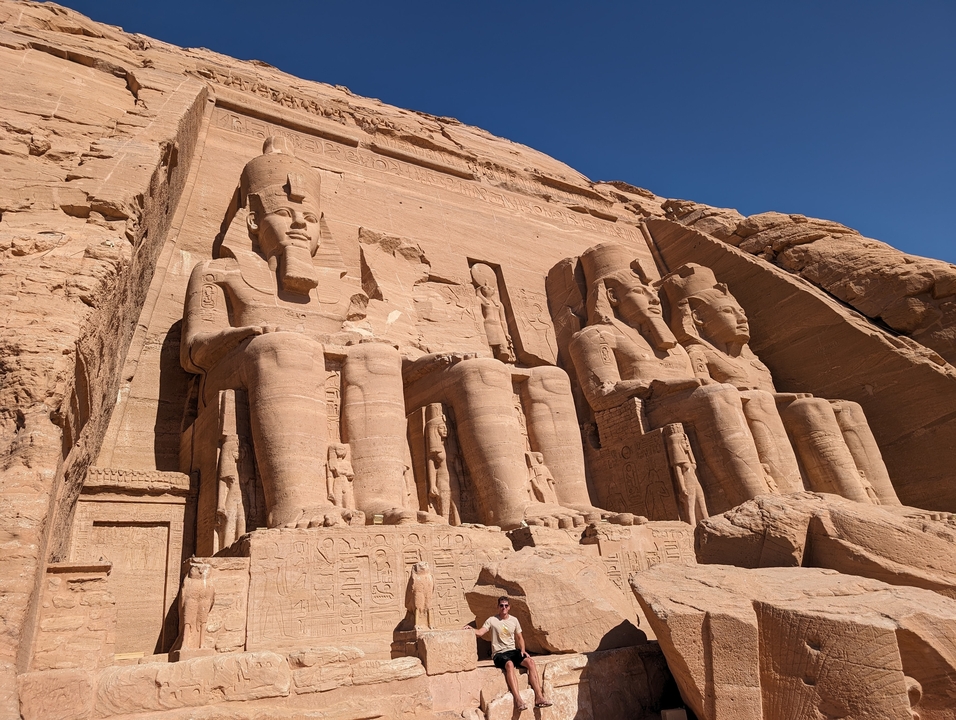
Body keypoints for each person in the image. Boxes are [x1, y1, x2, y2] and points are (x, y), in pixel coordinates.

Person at [465, 596, 551, 711]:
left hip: (512, 651)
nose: (503, 608)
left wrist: (523, 650)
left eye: (506, 605)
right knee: (509, 665)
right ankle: (518, 699)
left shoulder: (514, 620)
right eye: (501, 605)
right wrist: (471, 629)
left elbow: (519, 637)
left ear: (509, 607)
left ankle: (539, 697)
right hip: (499, 653)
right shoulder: (492, 620)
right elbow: (480, 632)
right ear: (498, 607)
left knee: (530, 662)